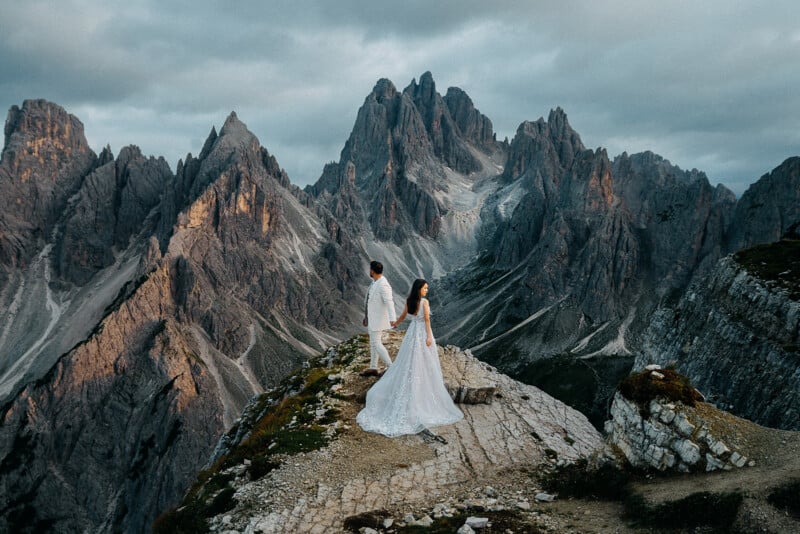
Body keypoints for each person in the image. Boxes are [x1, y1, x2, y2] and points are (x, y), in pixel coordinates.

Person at [356, 279, 464, 437]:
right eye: (425, 288)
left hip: (412, 331)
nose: (427, 290)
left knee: (409, 357)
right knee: (423, 358)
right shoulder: (425, 302)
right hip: (421, 332)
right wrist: (428, 337)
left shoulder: (409, 301)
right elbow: (426, 320)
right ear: (420, 289)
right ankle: (422, 384)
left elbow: (403, 315)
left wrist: (395, 324)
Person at [362, 260, 396, 375]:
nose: (369, 271)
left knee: (376, 343)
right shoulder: (374, 282)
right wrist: (366, 317)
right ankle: (373, 367)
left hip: (378, 319)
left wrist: (393, 319)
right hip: (372, 318)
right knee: (373, 342)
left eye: (370, 269)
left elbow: (389, 302)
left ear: (372, 270)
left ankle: (390, 366)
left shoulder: (383, 285)